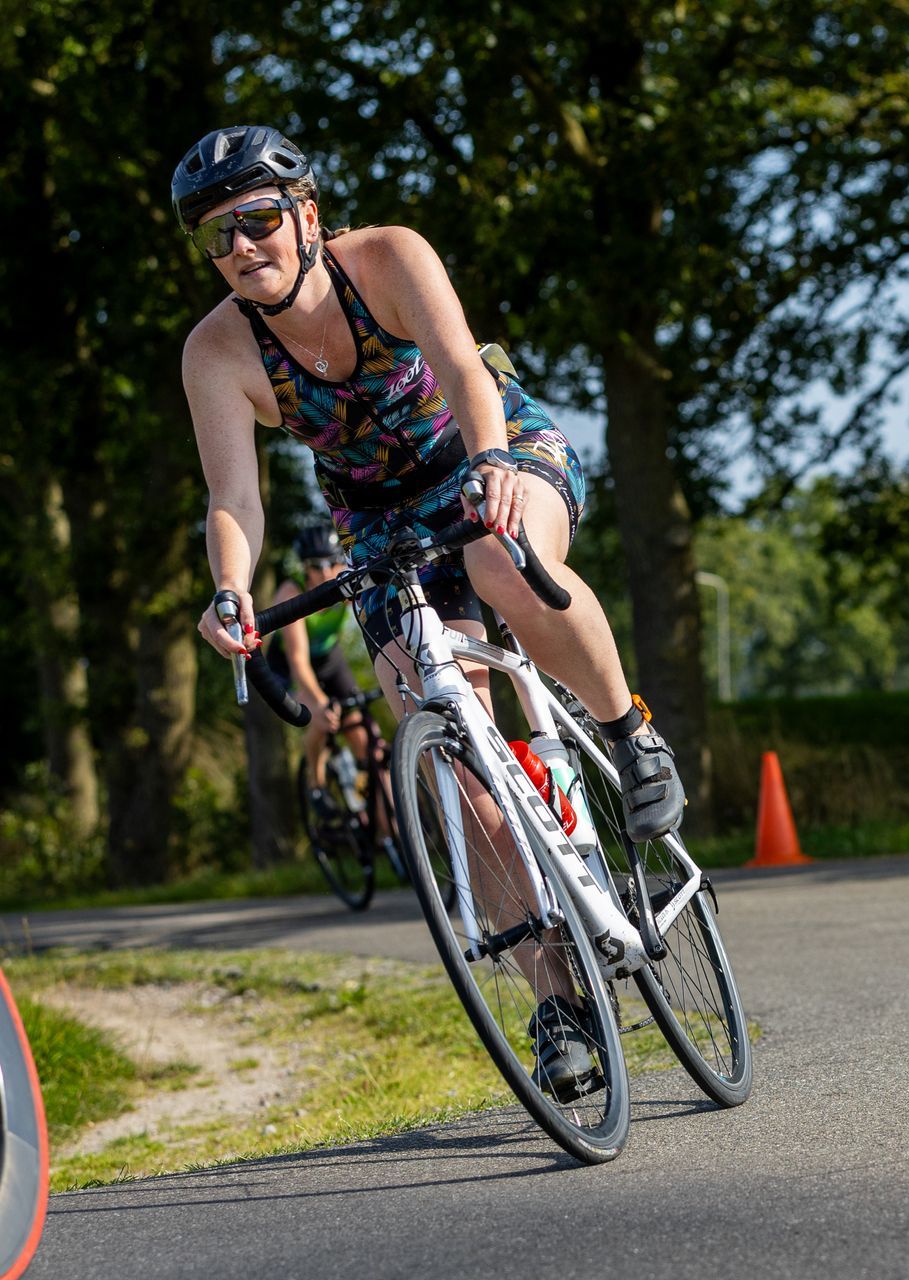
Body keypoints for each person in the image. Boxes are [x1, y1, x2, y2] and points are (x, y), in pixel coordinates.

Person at [177, 124, 675, 1094]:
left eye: (258, 221)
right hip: (375, 518)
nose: (240, 247)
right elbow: (234, 498)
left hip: (493, 443)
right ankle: (557, 1002)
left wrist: (491, 463)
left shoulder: (389, 257)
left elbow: (459, 366)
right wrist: (231, 591)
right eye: (216, 237)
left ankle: (630, 730)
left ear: (307, 215)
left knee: (499, 557)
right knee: (442, 733)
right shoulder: (217, 350)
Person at [267, 520, 373, 811]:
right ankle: (316, 784)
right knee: (322, 718)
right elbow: (298, 660)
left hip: (329, 658)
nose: (325, 572)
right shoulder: (292, 592)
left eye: (332, 562)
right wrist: (321, 702)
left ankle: (380, 824)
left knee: (366, 737)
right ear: (304, 568)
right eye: (315, 565)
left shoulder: (343, 578)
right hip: (289, 665)